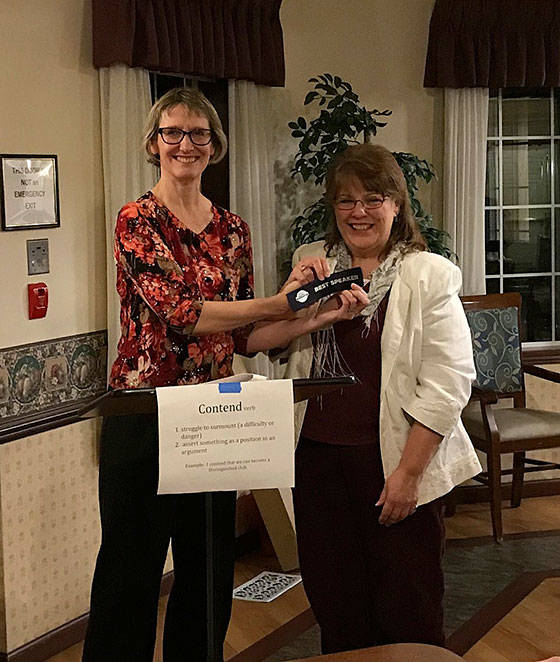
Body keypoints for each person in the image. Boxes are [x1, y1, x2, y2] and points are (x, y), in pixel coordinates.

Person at [82, 87, 367, 662]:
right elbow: (184, 316)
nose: (185, 144)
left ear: (215, 146)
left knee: (208, 573)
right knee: (129, 574)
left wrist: (314, 316)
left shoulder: (233, 230)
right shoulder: (136, 220)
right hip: (145, 413)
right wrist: (280, 301)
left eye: (199, 134)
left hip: (213, 415)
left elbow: (244, 339)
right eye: (173, 133)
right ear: (153, 143)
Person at [277, 142, 483, 654]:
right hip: (318, 462)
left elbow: (449, 383)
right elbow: (276, 345)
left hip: (393, 461)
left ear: (397, 205)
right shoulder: (314, 267)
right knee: (336, 606)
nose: (359, 212)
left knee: (407, 608)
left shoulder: (428, 274)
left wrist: (409, 475)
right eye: (346, 201)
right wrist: (292, 297)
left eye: (373, 199)